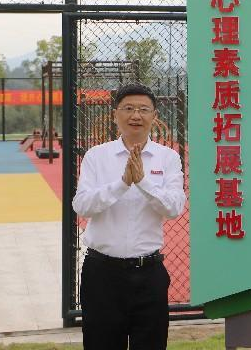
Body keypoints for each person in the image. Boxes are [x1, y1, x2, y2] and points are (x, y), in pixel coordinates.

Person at [73, 83, 186, 350]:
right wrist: (122, 184)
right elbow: (82, 205)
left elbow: (174, 208)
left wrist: (143, 182)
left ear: (154, 116)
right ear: (115, 115)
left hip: (149, 274)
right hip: (102, 274)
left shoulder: (168, 158)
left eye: (144, 109)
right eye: (129, 108)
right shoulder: (97, 156)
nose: (136, 115)